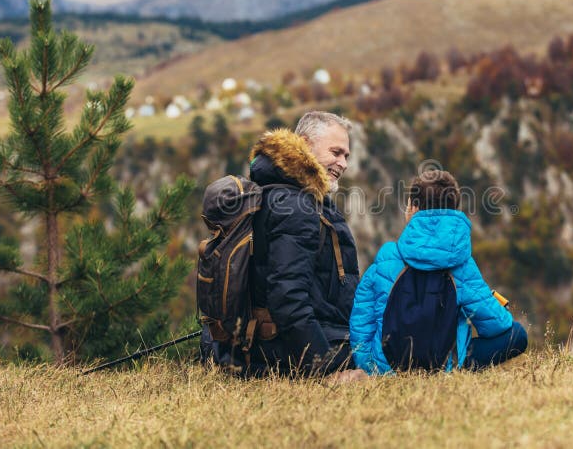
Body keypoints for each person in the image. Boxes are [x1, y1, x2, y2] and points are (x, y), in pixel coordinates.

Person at [203, 111, 365, 379]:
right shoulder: (295, 206)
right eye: (336, 152)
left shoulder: (276, 194)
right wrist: (323, 368)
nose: (343, 163)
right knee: (397, 347)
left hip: (255, 343)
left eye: (346, 156)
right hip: (280, 347)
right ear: (304, 143)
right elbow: (288, 299)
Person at [350, 170, 527, 374]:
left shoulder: (387, 257)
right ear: (453, 210)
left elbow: (361, 321)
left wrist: (370, 368)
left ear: (413, 208)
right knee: (518, 334)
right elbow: (497, 326)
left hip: (386, 369)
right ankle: (455, 365)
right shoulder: (462, 264)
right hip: (445, 368)